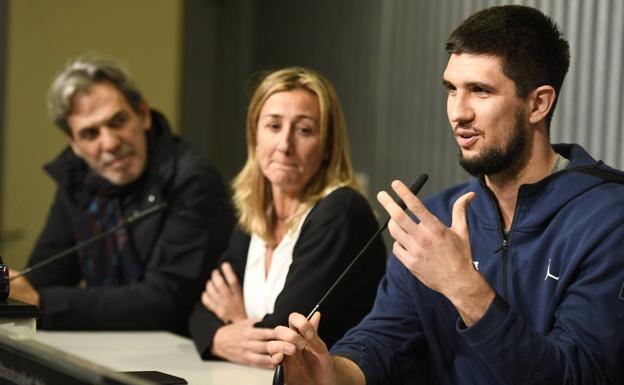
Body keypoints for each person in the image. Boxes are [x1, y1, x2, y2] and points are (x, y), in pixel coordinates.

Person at [268, 5, 624, 384]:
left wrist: (463, 286)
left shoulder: (608, 219)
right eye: (452, 89)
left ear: (538, 103)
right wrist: (333, 373)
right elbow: (383, 342)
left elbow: (578, 375)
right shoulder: (434, 219)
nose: (458, 112)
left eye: (480, 91)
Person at [8, 56, 235, 335]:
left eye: (118, 121)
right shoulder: (79, 179)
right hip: (108, 349)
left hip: (182, 353)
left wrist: (41, 303)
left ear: (143, 114)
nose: (110, 143)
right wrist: (13, 288)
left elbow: (165, 302)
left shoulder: (193, 181)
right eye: (90, 133)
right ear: (74, 144)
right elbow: (47, 274)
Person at [188, 67, 386, 368]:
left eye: (304, 130)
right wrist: (216, 338)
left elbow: (284, 338)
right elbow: (200, 313)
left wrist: (235, 320)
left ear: (328, 146)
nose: (285, 145)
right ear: (255, 136)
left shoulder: (341, 211)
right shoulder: (255, 213)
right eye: (273, 126)